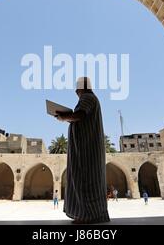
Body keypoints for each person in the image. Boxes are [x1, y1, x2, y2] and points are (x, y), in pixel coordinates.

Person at [55, 77, 110, 224]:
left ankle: (87, 216)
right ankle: (95, 214)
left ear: (80, 89)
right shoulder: (93, 98)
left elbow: (79, 115)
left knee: (84, 180)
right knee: (91, 180)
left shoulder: (87, 97)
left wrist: (63, 117)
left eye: (76, 90)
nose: (76, 93)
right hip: (89, 148)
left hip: (85, 150)